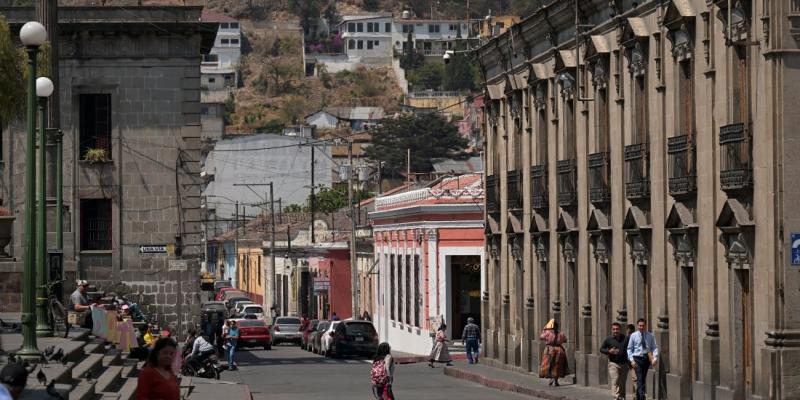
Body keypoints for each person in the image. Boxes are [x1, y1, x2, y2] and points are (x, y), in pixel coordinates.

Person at [627, 318, 659, 400]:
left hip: (646, 358)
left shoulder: (650, 335)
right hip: (637, 358)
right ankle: (642, 396)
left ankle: (638, 396)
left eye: (643, 326)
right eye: (640, 326)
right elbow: (629, 349)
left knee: (642, 378)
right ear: (637, 326)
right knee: (640, 377)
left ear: (645, 326)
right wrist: (632, 360)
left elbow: (654, 347)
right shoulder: (633, 336)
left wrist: (654, 358)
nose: (641, 327)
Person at [600, 322, 630, 400]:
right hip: (613, 364)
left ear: (620, 330)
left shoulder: (625, 338)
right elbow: (601, 349)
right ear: (612, 330)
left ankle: (622, 397)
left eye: (617, 329)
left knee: (622, 383)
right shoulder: (608, 339)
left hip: (624, 364)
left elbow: (630, 349)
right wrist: (609, 351)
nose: (615, 331)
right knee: (615, 380)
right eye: (614, 329)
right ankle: (616, 397)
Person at [539, 319, 568, 386]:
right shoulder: (561, 333)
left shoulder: (547, 333)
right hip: (559, 350)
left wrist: (544, 329)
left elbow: (541, 337)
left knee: (549, 364)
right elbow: (565, 340)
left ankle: (551, 378)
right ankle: (556, 380)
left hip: (549, 349)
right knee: (557, 365)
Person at [626, 324, 637, 394]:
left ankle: (636, 396)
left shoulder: (636, 339)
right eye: (628, 333)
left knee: (635, 379)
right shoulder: (625, 339)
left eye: (631, 333)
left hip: (634, 362)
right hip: (625, 362)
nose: (630, 335)